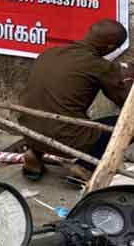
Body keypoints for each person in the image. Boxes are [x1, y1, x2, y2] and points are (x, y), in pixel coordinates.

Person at [19, 19, 132, 181]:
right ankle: (85, 166)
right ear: (110, 48)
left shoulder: (49, 53)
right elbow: (126, 104)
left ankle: (34, 154)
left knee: (55, 110)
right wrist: (126, 79)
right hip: (66, 138)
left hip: (29, 132)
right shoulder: (99, 65)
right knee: (129, 122)